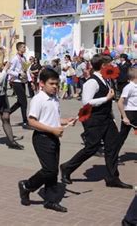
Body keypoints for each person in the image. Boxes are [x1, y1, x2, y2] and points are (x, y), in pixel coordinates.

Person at [60, 54, 132, 189]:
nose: (113, 66)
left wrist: (113, 118)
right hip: (94, 120)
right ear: (104, 66)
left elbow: (109, 101)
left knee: (113, 146)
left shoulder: (106, 79)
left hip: (107, 119)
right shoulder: (92, 82)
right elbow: (86, 102)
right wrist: (106, 98)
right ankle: (67, 168)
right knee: (91, 148)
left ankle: (112, 177)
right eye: (110, 64)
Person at [18, 68, 75, 213]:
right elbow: (31, 121)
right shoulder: (38, 99)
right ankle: (27, 185)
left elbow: (52, 119)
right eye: (52, 83)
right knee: (49, 169)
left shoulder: (55, 98)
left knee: (53, 171)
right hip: (42, 138)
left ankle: (50, 200)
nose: (55, 87)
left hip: (54, 138)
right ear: (42, 83)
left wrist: (64, 121)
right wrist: (52, 130)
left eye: (57, 84)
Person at [8, 42, 30, 129]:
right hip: (16, 82)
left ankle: (7, 113)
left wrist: (29, 81)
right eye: (23, 47)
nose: (25, 49)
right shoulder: (15, 59)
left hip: (22, 82)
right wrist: (18, 74)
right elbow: (9, 70)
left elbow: (25, 70)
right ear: (19, 48)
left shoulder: (24, 58)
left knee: (20, 102)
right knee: (24, 102)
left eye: (25, 47)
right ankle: (25, 122)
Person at [116, 67, 137, 153]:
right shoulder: (128, 87)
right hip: (129, 113)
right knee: (122, 136)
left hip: (135, 112)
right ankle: (113, 154)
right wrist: (124, 117)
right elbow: (120, 102)